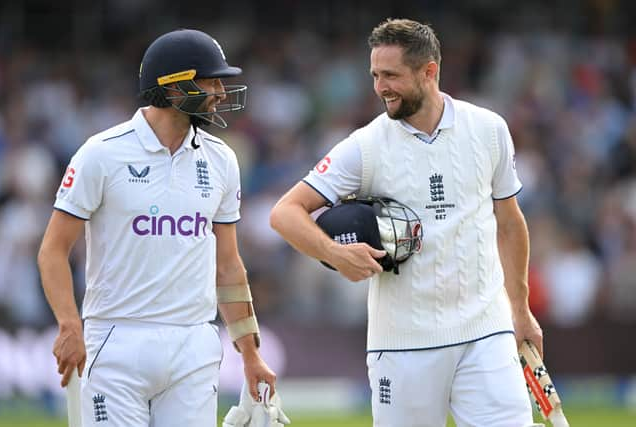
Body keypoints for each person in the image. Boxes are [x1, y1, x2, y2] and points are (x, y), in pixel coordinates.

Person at [270, 18, 543, 426]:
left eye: (391, 75)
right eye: (375, 75)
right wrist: (334, 253)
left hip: (486, 332)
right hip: (402, 345)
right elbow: (284, 213)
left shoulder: (488, 129)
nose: (380, 86)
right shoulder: (365, 145)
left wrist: (520, 310)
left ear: (429, 71)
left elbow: (509, 222)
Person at [38, 29, 277, 427]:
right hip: (116, 340)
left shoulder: (222, 160)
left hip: (193, 345)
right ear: (174, 86)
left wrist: (251, 355)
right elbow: (53, 250)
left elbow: (229, 267)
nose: (220, 91)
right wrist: (68, 323)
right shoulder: (102, 153)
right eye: (211, 80)